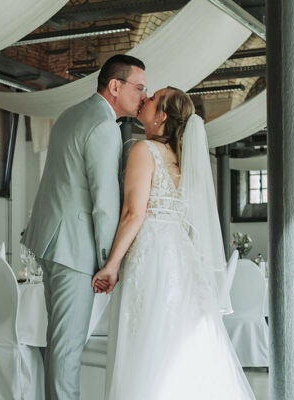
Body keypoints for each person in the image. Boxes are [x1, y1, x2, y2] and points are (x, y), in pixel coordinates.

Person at [92, 87, 256, 399]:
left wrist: (111, 265)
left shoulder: (143, 150)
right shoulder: (182, 160)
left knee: (147, 339)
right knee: (180, 339)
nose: (146, 97)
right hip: (180, 255)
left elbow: (133, 212)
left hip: (151, 253)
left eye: (152, 98)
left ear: (162, 115)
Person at [21, 54, 147, 400]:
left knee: (58, 345)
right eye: (139, 88)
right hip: (74, 250)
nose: (142, 96)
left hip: (51, 243)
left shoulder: (71, 114)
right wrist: (111, 262)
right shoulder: (104, 127)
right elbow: (104, 204)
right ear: (115, 86)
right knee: (67, 349)